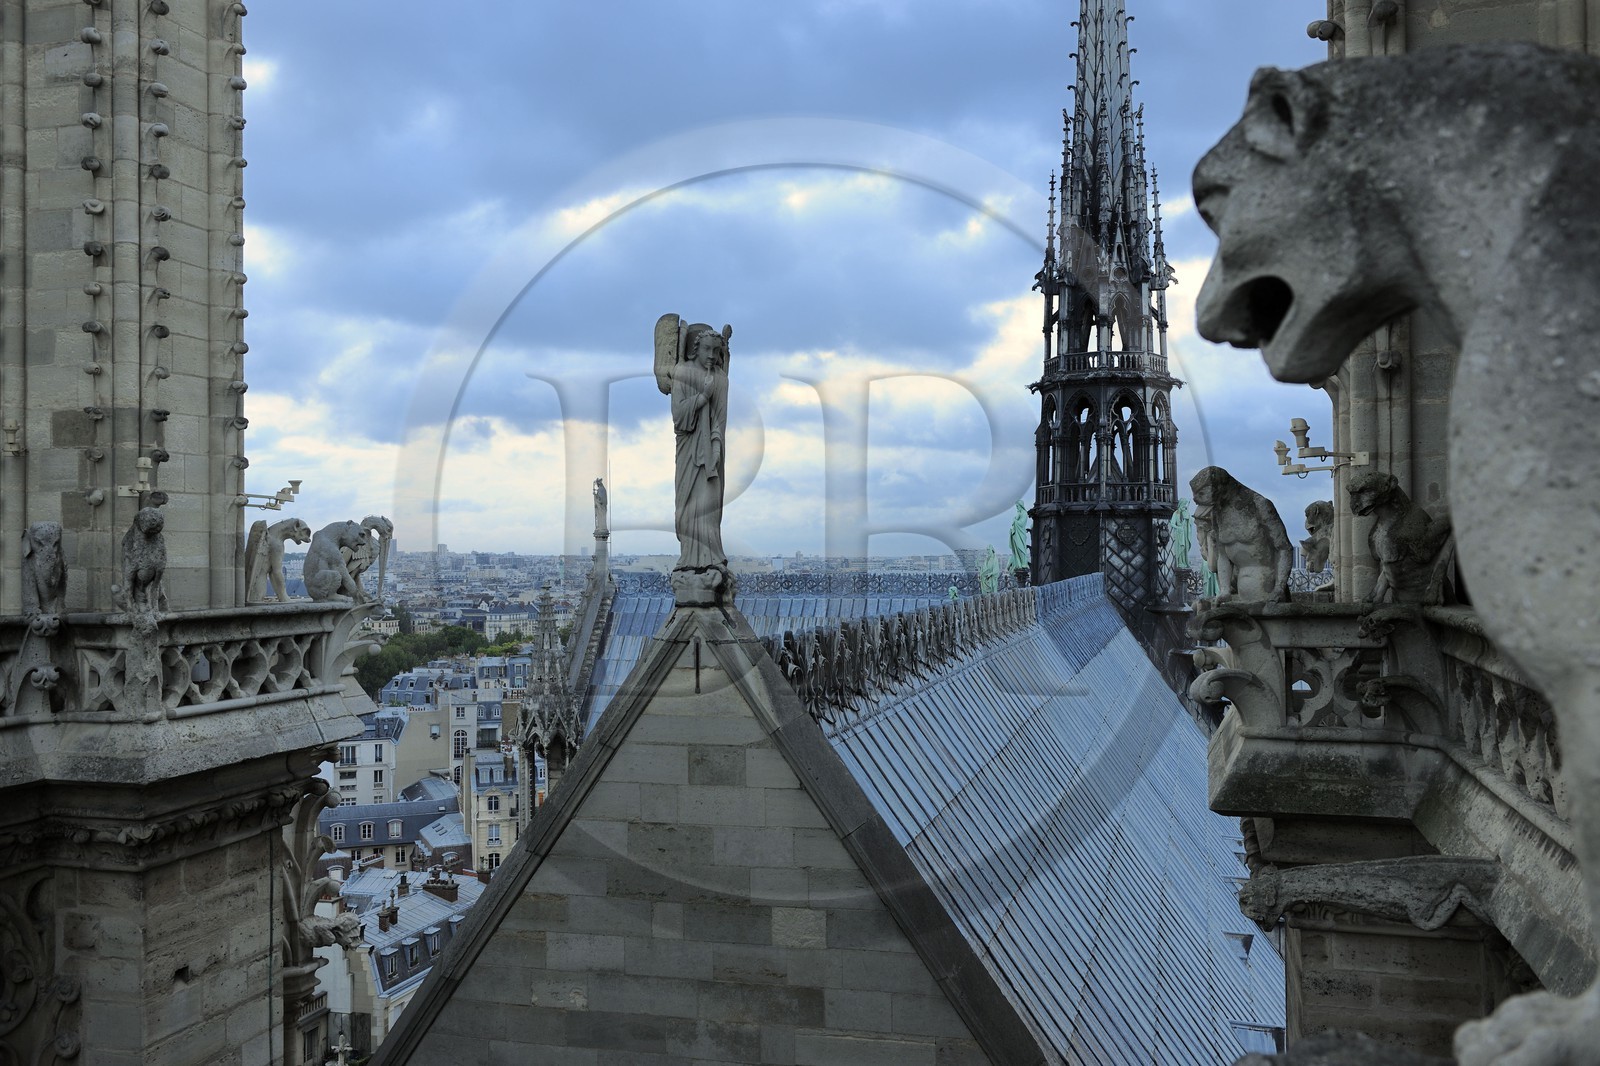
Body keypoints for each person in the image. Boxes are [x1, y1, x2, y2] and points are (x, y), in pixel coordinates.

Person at [670, 324, 729, 572]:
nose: (712, 356)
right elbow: (678, 417)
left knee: (709, 509)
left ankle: (711, 558)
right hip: (688, 452)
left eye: (717, 351)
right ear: (695, 349)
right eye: (707, 349)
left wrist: (716, 449)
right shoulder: (682, 372)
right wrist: (702, 397)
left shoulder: (720, 379)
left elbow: (718, 420)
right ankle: (690, 558)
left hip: (711, 455)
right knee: (686, 511)